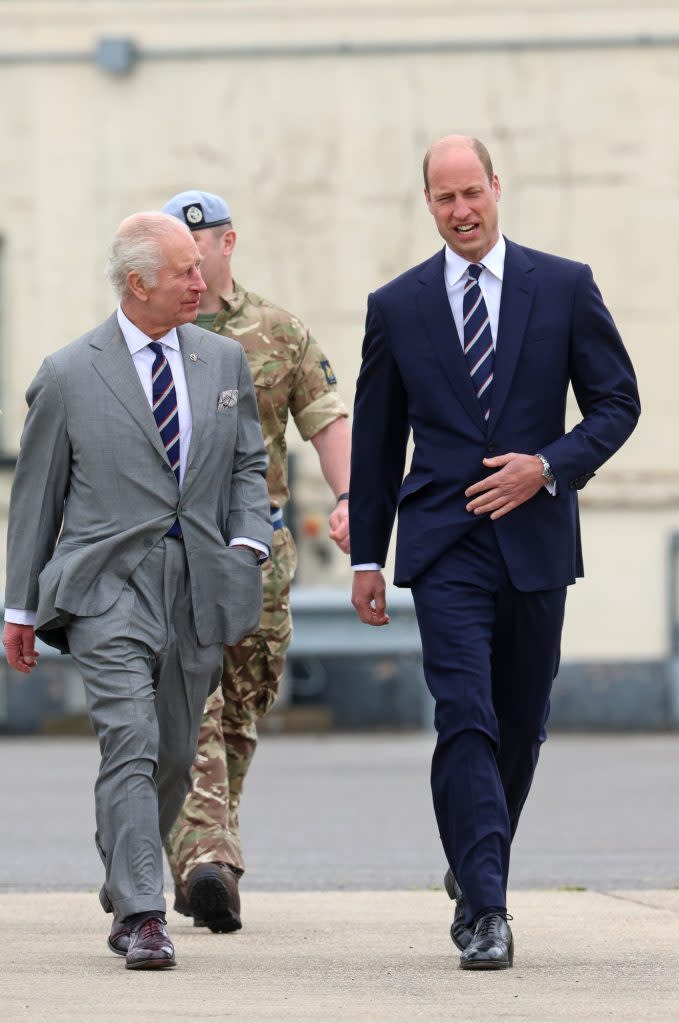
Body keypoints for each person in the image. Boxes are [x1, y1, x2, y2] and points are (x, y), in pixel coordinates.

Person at [349, 136, 640, 970]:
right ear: (428, 204)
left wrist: (547, 465)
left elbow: (618, 403)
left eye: (471, 193)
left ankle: (476, 849)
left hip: (538, 536)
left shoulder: (566, 286)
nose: (461, 211)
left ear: (496, 188)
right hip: (444, 541)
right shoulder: (397, 306)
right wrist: (368, 556)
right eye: (444, 199)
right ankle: (487, 907)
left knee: (522, 723)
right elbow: (376, 441)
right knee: (464, 715)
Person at [2, 212, 272, 970]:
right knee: (132, 737)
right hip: (103, 586)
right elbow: (36, 499)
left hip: (199, 586)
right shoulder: (67, 374)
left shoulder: (222, 362)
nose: (200, 280)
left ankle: (126, 870)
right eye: (185, 270)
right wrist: (19, 607)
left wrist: (249, 539)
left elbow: (249, 463)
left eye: (200, 267)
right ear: (137, 283)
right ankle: (147, 912)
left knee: (177, 754)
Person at [160, 190, 351, 932]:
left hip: (260, 551)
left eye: (195, 243)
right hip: (173, 551)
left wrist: (351, 500)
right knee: (193, 703)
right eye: (172, 244)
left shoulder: (276, 331)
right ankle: (210, 856)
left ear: (226, 243)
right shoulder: (150, 330)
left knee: (241, 706)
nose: (185, 256)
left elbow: (325, 418)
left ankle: (186, 847)